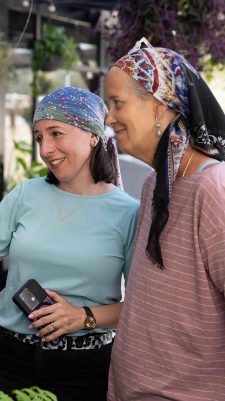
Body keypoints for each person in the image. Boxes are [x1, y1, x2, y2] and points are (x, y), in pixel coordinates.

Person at [0, 87, 139, 401]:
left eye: (56, 133)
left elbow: (141, 306)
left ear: (93, 135)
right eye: (39, 138)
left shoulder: (129, 212)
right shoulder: (26, 194)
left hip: (83, 371)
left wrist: (83, 316)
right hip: (4, 359)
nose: (46, 149)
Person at [105, 37, 225, 401]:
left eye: (117, 103)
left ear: (159, 106)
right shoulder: (157, 183)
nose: (108, 118)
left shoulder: (213, 189)